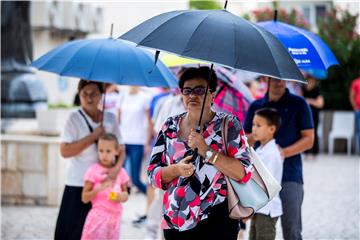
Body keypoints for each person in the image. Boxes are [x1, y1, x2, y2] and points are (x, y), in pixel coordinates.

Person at [148, 67, 253, 240]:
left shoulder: (229, 125)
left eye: (200, 90)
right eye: (187, 90)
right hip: (176, 218)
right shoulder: (170, 126)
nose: (192, 95)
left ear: (213, 94)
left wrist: (207, 151)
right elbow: (152, 174)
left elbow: (243, 173)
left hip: (219, 218)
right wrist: (176, 170)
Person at [244, 77, 314, 240]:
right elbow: (244, 141)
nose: (280, 81)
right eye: (275, 77)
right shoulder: (256, 106)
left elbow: (309, 139)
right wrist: (256, 133)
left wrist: (282, 152)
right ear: (265, 78)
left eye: (284, 77)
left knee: (292, 230)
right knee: (258, 231)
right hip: (260, 179)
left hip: (290, 175)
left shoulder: (299, 104)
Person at [55, 79, 125, 240]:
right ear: (79, 95)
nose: (89, 98)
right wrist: (93, 136)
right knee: (71, 231)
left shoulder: (110, 118)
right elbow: (64, 151)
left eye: (93, 93)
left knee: (98, 232)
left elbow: (121, 149)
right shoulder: (73, 118)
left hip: (103, 184)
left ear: (101, 95)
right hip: (77, 182)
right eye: (84, 94)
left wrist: (115, 170)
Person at [81, 133, 129, 240]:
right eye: (101, 151)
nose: (104, 155)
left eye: (108, 151)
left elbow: (126, 195)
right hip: (97, 221)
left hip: (114, 221)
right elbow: (84, 198)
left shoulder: (121, 172)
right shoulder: (93, 171)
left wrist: (121, 196)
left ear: (116, 152)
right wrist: (98, 189)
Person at [249, 108, 283, 240]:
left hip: (267, 209)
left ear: (271, 129)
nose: (254, 129)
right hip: (259, 207)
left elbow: (262, 183)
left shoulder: (271, 154)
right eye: (253, 125)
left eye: (258, 125)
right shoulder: (261, 149)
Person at [118, 86, 152, 195]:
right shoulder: (122, 96)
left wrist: (147, 143)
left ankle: (152, 197)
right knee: (119, 177)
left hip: (138, 142)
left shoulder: (145, 97)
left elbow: (149, 122)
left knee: (136, 180)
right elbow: (117, 121)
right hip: (122, 141)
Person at [301, 75, 324, 159]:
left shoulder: (316, 91)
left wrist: (309, 101)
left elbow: (320, 103)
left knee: (314, 133)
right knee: (304, 132)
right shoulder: (302, 89)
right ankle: (305, 152)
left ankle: (314, 153)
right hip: (305, 115)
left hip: (314, 115)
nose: (310, 83)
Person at [350, 77, 360, 154]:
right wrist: (355, 107)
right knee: (359, 131)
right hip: (358, 110)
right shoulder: (356, 82)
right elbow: (352, 96)